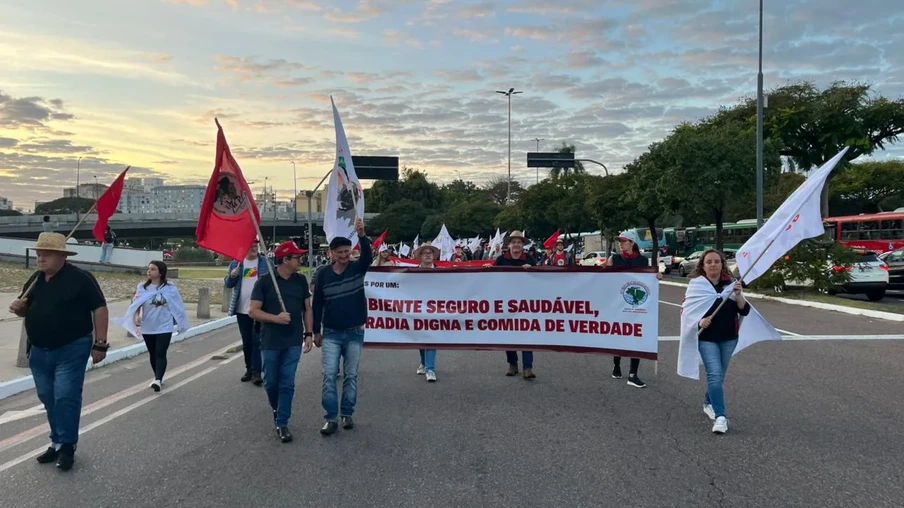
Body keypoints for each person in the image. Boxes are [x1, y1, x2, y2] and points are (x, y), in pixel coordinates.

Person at [8, 233, 108, 471]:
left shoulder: (81, 279)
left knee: (65, 396)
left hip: (72, 347)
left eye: (46, 254)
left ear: (62, 256)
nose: (40, 258)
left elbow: (100, 308)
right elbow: (28, 310)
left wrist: (100, 343)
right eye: (38, 253)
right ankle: (56, 440)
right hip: (40, 350)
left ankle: (67, 446)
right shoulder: (36, 279)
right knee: (47, 396)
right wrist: (19, 309)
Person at [249, 241, 314, 443]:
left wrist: (309, 333)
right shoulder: (265, 282)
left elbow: (307, 309)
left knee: (287, 383)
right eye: (297, 257)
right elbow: (253, 311)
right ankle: (277, 408)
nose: (300, 260)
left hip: (293, 340)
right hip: (270, 340)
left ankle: (282, 422)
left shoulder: (301, 280)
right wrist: (276, 318)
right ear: (285, 260)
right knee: (271, 383)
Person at [313, 218, 372, 436]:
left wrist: (363, 236)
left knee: (351, 376)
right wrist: (315, 331)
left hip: (355, 332)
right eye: (340, 252)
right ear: (331, 253)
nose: (345, 255)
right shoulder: (323, 275)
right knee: (329, 375)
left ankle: (347, 413)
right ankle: (330, 418)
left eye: (347, 251)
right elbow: (317, 302)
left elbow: (368, 257)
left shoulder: (358, 269)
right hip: (330, 333)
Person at [687, 249, 749, 434]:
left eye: (716, 261)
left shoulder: (731, 284)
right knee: (714, 375)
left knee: (719, 375)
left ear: (722, 264)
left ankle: (708, 402)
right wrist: (699, 321)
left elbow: (744, 311)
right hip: (707, 338)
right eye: (709, 262)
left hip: (729, 337)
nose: (713, 264)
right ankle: (721, 417)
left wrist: (738, 295)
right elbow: (687, 311)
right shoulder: (696, 285)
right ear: (703, 265)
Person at [114, 261, 190, 391]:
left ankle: (158, 380)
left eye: (153, 269)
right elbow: (137, 303)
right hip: (148, 326)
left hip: (164, 326)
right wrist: (137, 316)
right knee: (153, 353)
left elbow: (177, 304)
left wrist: (179, 319)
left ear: (160, 272)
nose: (149, 271)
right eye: (148, 269)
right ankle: (157, 376)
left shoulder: (170, 287)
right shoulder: (142, 287)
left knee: (161, 352)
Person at [606, 230, 662, 388]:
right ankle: (616, 364)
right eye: (619, 241)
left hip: (636, 305)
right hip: (617, 304)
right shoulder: (614, 258)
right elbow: (604, 278)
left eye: (623, 241)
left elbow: (648, 279)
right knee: (619, 336)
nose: (621, 244)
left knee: (636, 337)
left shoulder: (643, 261)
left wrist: (656, 276)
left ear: (632, 243)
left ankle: (633, 374)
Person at [493, 231, 537, 379]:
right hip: (506, 303)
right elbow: (490, 279)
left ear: (523, 245)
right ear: (509, 244)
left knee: (527, 333)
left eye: (519, 242)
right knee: (508, 335)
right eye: (514, 242)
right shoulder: (500, 260)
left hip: (525, 303)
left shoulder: (530, 259)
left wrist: (531, 271)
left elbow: (540, 279)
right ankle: (512, 364)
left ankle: (528, 367)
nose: (516, 244)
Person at [225, 241, 269, 385]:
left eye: (256, 246)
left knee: (257, 341)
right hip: (242, 310)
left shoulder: (265, 263)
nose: (254, 248)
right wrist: (232, 276)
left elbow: (273, 281)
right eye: (251, 246)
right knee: (247, 342)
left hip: (260, 309)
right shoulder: (236, 264)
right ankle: (249, 369)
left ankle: (257, 372)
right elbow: (228, 284)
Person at [412, 241, 440, 382]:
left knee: (431, 337)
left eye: (430, 252)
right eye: (425, 253)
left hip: (435, 310)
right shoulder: (412, 273)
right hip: (417, 309)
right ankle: (423, 362)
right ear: (420, 256)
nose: (428, 255)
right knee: (420, 338)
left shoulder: (443, 273)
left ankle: (430, 368)